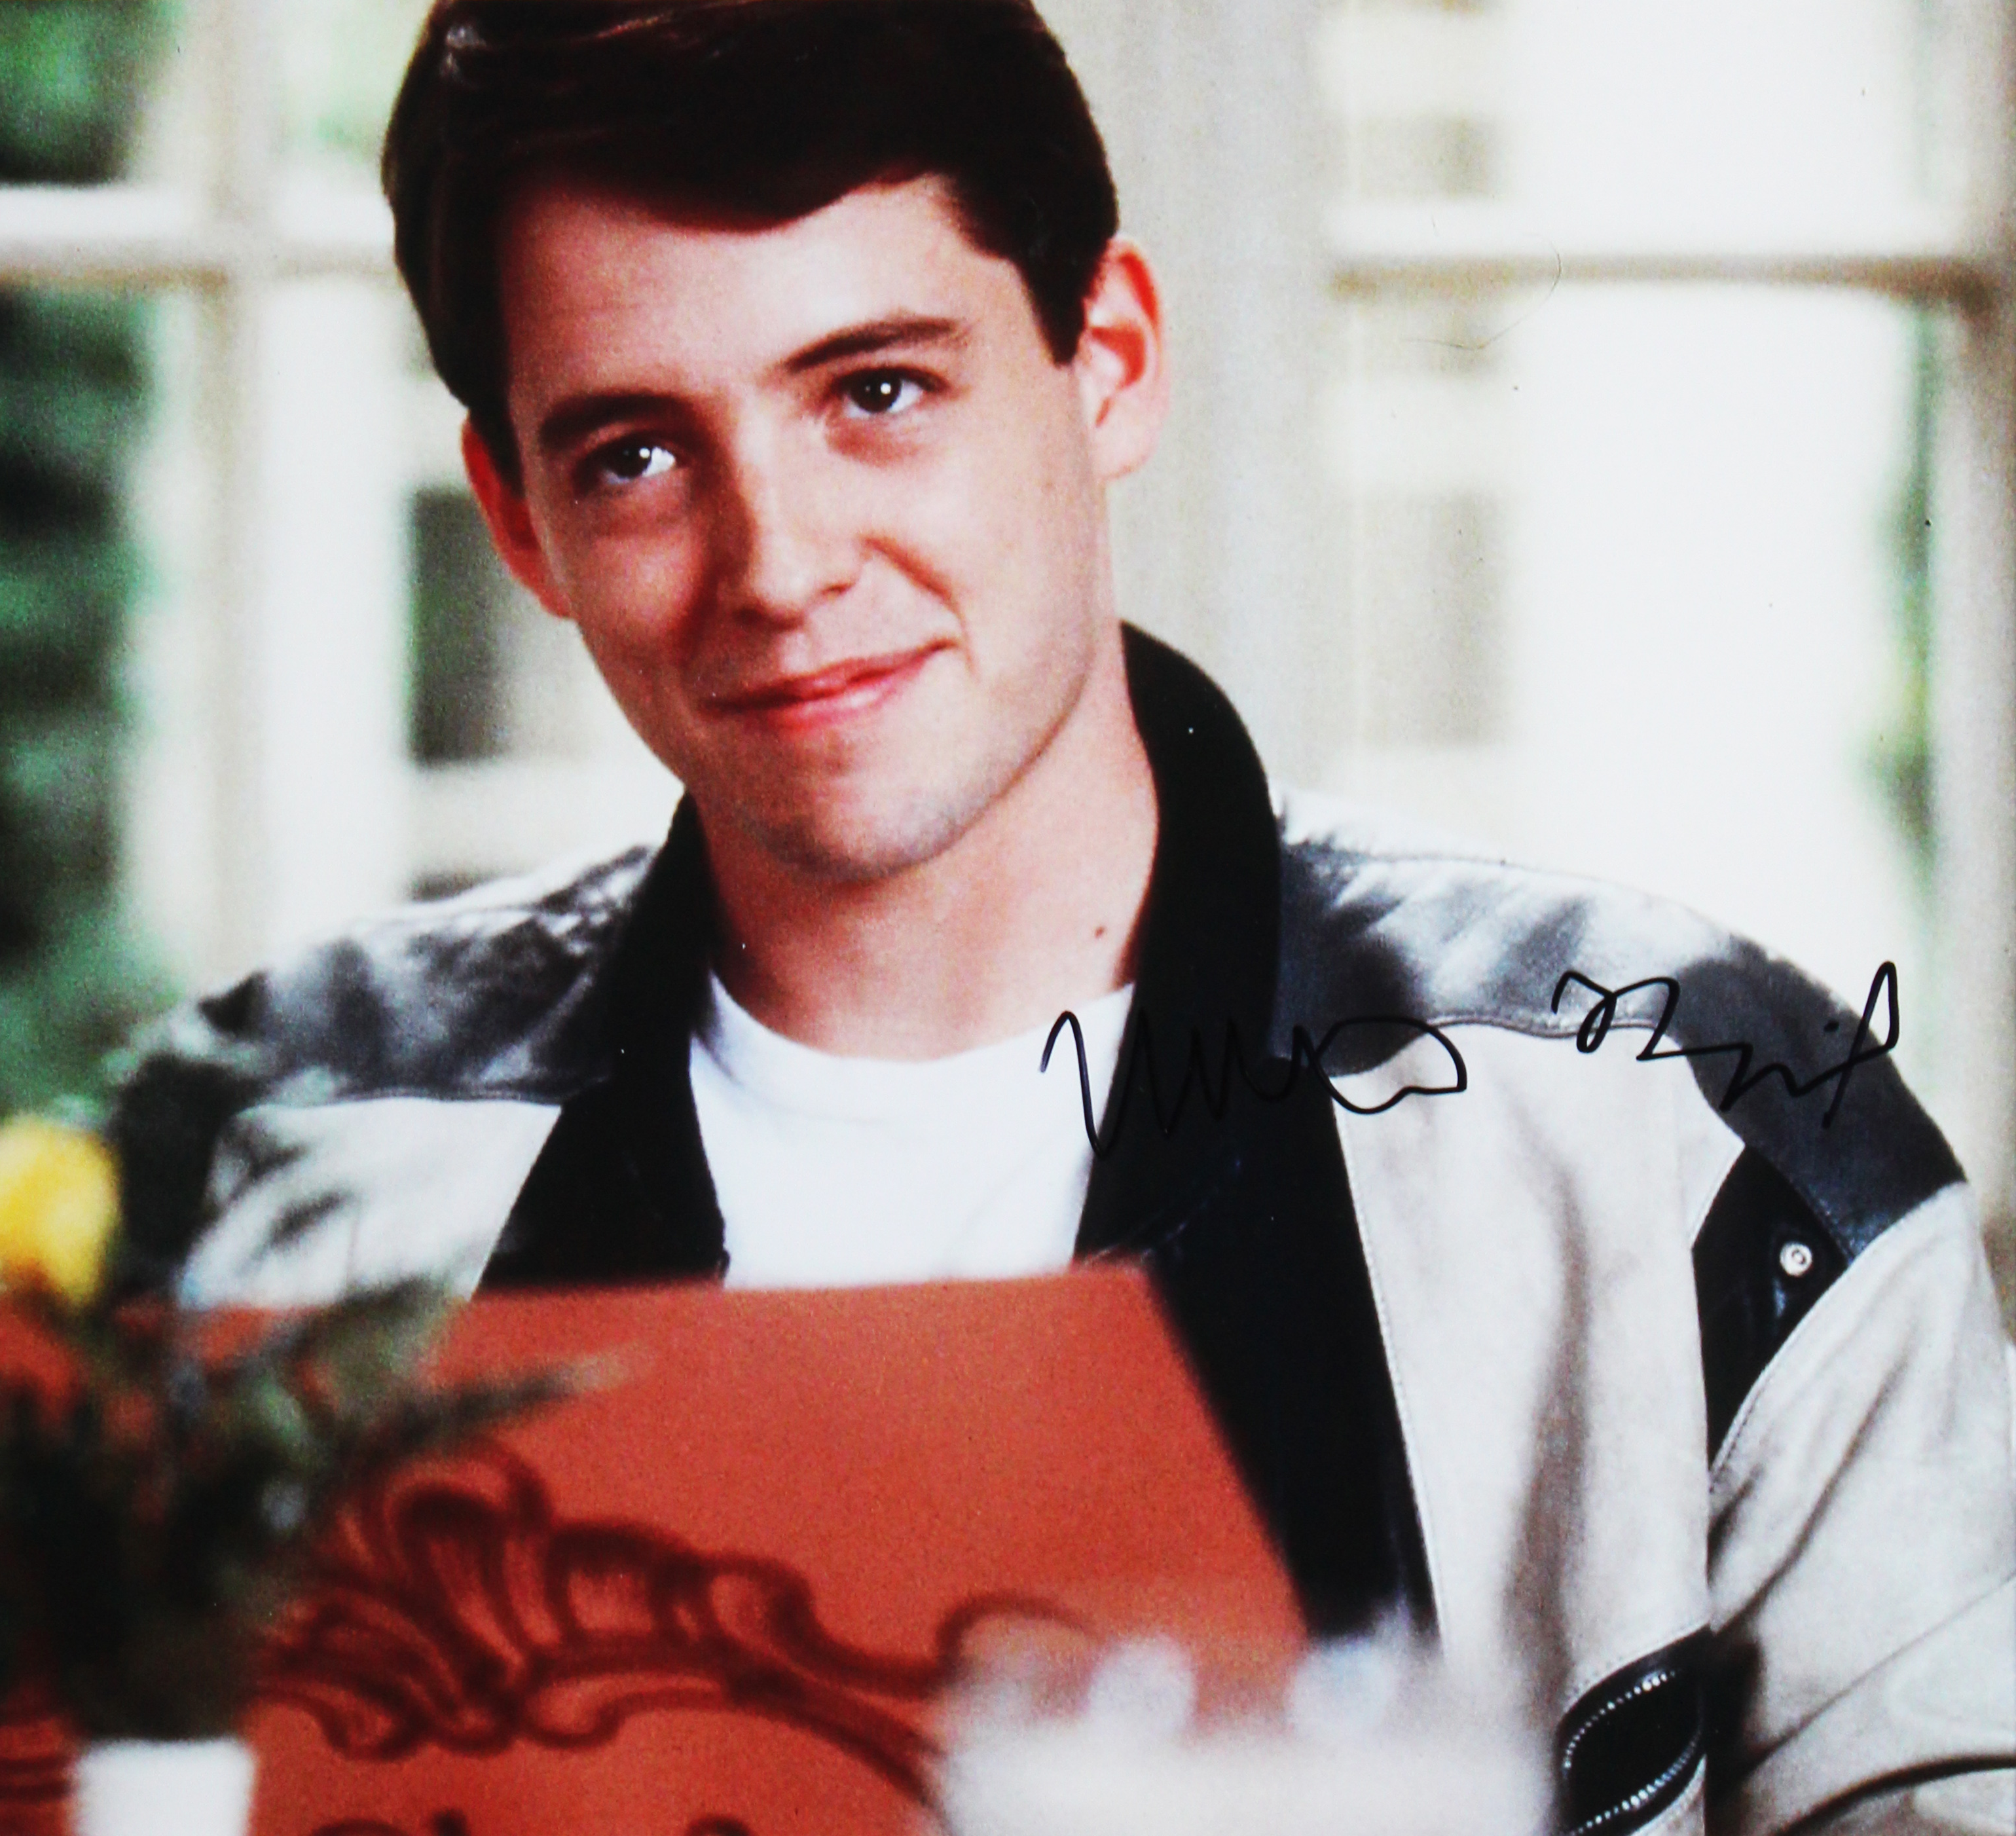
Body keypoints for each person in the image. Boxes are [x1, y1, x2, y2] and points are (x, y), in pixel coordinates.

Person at [108, 3, 2016, 1830]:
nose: (779, 565)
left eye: (875, 392)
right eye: (637, 454)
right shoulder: (258, 1163)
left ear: (1107, 357)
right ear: (519, 519)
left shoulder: (1695, 1132)